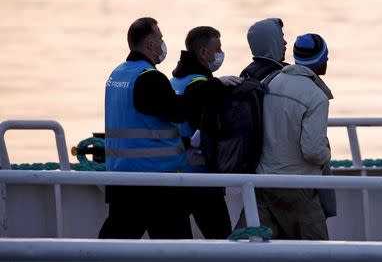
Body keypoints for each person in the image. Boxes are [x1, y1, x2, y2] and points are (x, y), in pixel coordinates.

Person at [98, 17, 238, 239]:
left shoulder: (118, 75)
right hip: (156, 183)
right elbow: (178, 110)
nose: (163, 45)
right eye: (160, 39)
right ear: (151, 45)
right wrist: (214, 85)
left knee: (113, 246)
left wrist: (184, 142)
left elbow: (141, 123)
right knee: (177, 248)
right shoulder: (149, 78)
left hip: (121, 179)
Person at [240, 33, 332, 240]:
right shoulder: (316, 96)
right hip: (297, 186)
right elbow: (313, 152)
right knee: (316, 252)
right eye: (326, 57)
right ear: (320, 61)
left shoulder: (270, 81)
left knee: (261, 250)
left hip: (263, 183)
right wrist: (327, 153)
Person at [170, 26, 240, 238]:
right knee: (222, 244)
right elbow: (213, 131)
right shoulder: (205, 87)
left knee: (179, 247)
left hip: (173, 177)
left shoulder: (173, 82)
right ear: (203, 53)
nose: (220, 53)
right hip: (202, 180)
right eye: (217, 48)